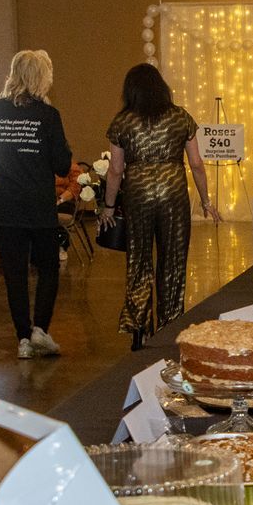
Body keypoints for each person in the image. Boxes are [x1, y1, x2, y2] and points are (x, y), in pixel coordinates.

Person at [100, 61, 218, 349]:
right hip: (173, 193)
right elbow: (196, 164)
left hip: (137, 195)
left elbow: (115, 170)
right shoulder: (180, 117)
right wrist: (206, 200)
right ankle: (169, 327)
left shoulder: (122, 121)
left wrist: (108, 206)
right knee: (173, 262)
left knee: (138, 261)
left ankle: (139, 328)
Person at [0, 50, 73, 359]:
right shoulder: (48, 115)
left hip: (4, 204)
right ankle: (40, 329)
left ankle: (22, 339)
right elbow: (62, 165)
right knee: (48, 268)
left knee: (14, 275)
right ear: (43, 77)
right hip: (38, 204)